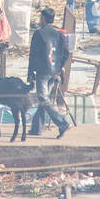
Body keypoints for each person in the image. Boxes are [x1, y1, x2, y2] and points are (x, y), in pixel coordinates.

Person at [27, 7, 70, 137]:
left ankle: (62, 123)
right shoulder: (59, 34)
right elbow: (66, 53)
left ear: (44, 19)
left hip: (42, 72)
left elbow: (33, 55)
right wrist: (59, 66)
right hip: (54, 71)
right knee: (44, 101)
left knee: (43, 99)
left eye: (41, 17)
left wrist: (30, 72)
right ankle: (37, 128)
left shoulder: (38, 34)